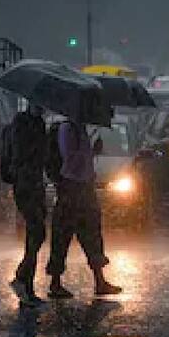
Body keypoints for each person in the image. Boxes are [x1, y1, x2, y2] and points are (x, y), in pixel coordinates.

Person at [46, 119, 122, 299]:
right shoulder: (67, 129)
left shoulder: (80, 129)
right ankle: (55, 283)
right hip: (71, 188)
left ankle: (100, 281)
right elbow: (70, 160)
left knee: (92, 236)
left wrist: (92, 151)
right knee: (62, 237)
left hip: (85, 188)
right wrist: (88, 152)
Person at [8, 103, 48, 307]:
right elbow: (21, 153)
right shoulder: (21, 123)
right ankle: (22, 280)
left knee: (37, 234)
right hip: (25, 183)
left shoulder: (39, 123)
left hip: (36, 182)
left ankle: (25, 282)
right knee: (36, 231)